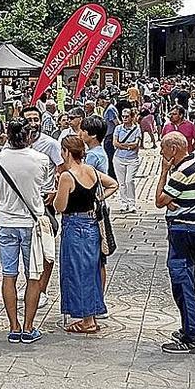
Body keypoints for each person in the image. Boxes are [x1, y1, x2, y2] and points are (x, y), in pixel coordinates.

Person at [0, 119, 52, 344]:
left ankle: (13, 326)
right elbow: (45, 189)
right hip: (31, 225)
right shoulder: (41, 159)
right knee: (33, 274)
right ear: (29, 136)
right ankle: (28, 326)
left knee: (9, 275)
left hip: (6, 222)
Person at [54, 136, 118, 334]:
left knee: (76, 271)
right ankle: (90, 314)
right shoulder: (90, 170)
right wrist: (98, 199)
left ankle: (87, 320)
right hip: (91, 226)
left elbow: (60, 206)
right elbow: (113, 184)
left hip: (74, 226)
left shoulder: (67, 176)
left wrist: (57, 189)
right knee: (90, 270)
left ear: (66, 152)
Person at [155, 132, 195, 354]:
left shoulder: (181, 172)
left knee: (182, 283)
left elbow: (159, 200)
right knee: (187, 280)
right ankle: (188, 327)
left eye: (163, 148)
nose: (161, 153)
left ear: (174, 149)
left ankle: (191, 337)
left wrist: (163, 172)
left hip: (182, 230)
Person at [20, 106, 63, 308]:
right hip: (22, 204)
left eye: (36, 119)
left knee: (45, 247)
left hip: (44, 204)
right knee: (27, 247)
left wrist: (55, 192)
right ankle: (31, 284)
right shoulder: (16, 144)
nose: (33, 123)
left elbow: (63, 171)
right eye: (29, 119)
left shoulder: (51, 144)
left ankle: (42, 289)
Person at [113, 108, 142, 213]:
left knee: (129, 181)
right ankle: (124, 203)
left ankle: (132, 203)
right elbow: (115, 143)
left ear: (132, 117)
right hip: (119, 158)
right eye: (123, 116)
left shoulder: (137, 129)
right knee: (121, 182)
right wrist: (128, 146)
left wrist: (123, 145)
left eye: (127, 116)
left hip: (132, 159)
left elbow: (136, 145)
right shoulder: (118, 128)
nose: (124, 118)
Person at [99, 94, 119, 177]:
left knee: (110, 158)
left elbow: (117, 123)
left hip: (111, 137)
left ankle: (113, 176)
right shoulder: (107, 109)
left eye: (99, 100)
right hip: (108, 136)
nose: (98, 102)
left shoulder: (110, 109)